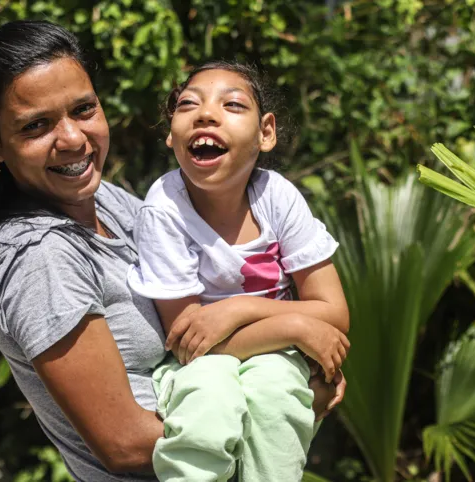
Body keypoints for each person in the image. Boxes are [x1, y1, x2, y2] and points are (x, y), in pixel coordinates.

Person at [0, 20, 346, 482]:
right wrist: (293, 399)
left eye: (83, 109)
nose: (73, 139)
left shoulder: (106, 201)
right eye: (36, 125)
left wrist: (286, 380)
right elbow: (124, 445)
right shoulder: (41, 258)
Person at [127, 61, 350, 481]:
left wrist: (239, 309)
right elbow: (189, 342)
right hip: (198, 363)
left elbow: (334, 312)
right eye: (188, 104)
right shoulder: (164, 208)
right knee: (209, 400)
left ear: (266, 132)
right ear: (171, 133)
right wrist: (298, 328)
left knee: (277, 395)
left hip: (275, 356)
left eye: (232, 104)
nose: (206, 114)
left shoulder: (277, 197)